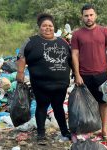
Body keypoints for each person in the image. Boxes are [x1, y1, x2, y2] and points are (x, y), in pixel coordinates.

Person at [16, 13, 71, 145]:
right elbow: (21, 57)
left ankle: (64, 131)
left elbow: (70, 59)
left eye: (50, 26)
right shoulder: (31, 41)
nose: (48, 28)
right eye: (44, 26)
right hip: (41, 84)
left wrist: (76, 73)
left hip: (60, 84)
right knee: (42, 107)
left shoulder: (62, 42)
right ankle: (41, 133)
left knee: (58, 107)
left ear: (54, 27)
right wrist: (20, 72)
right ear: (39, 27)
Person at [71, 3, 107, 144]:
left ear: (95, 15)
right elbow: (75, 55)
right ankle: (87, 131)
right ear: (82, 17)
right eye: (86, 16)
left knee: (103, 103)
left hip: (101, 74)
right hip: (84, 76)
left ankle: (104, 130)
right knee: (85, 104)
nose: (89, 18)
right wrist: (77, 74)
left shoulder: (105, 31)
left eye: (91, 15)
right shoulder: (77, 34)